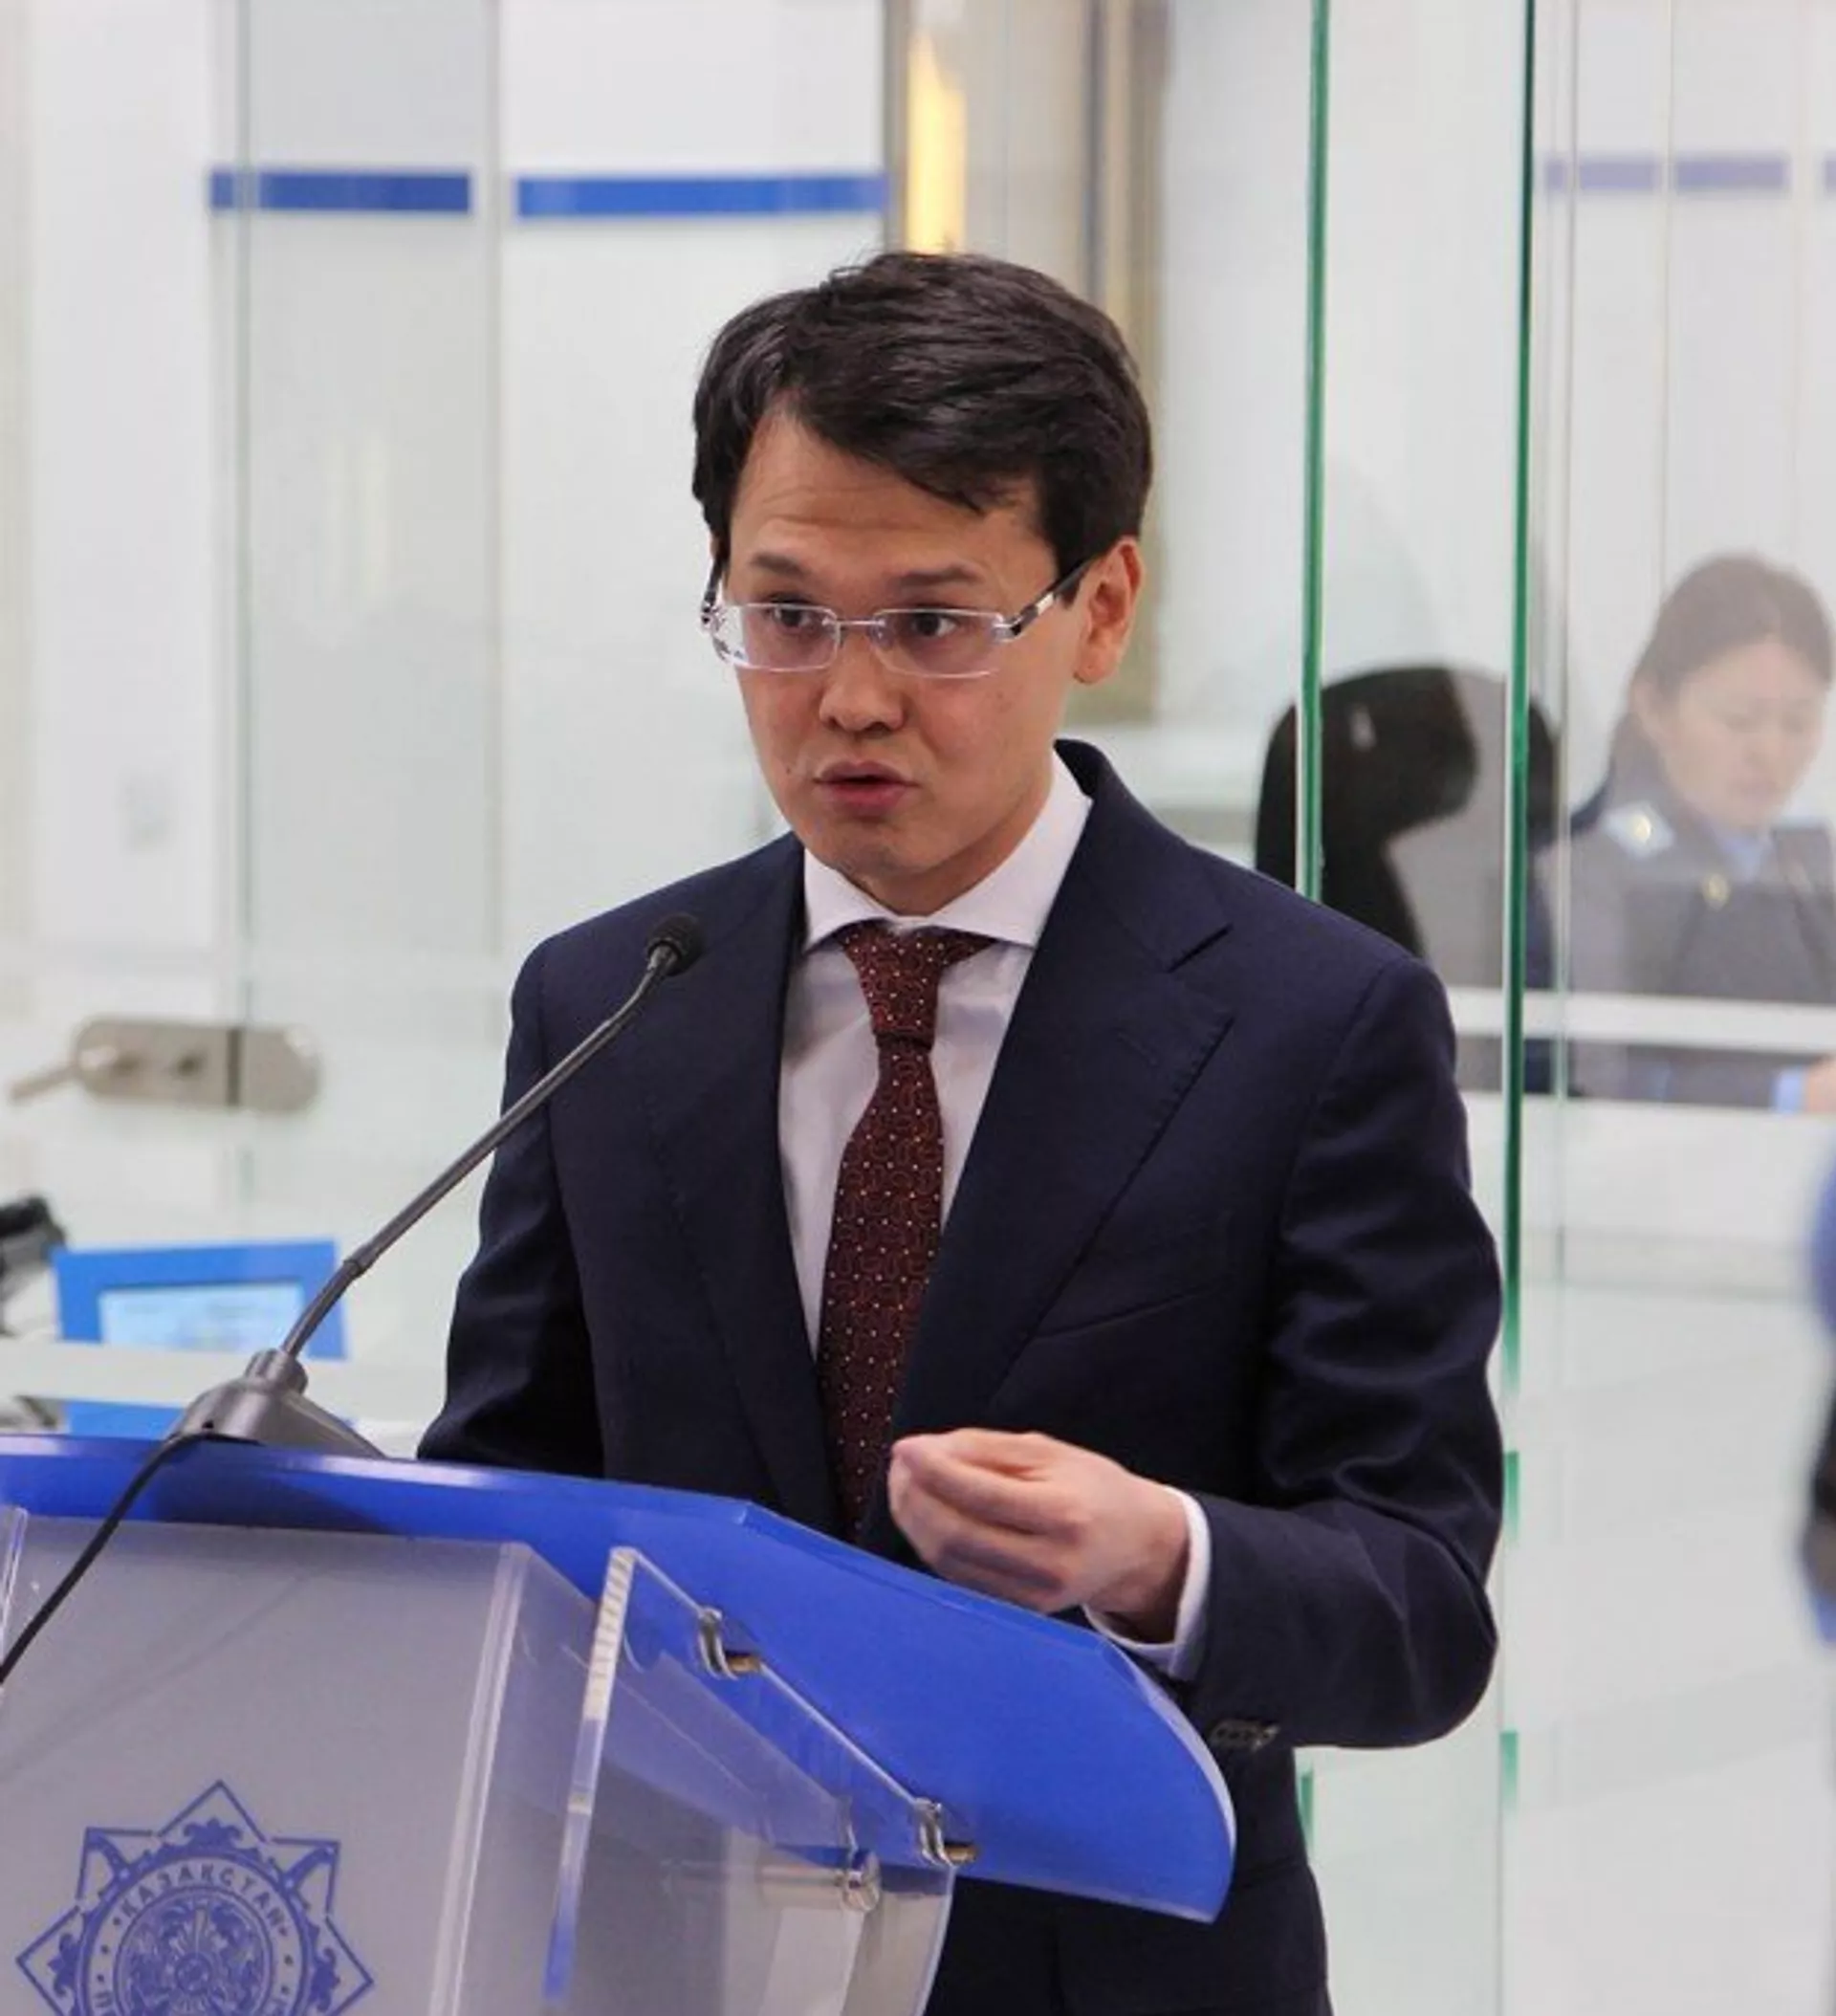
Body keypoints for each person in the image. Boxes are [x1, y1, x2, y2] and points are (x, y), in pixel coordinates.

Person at [421, 250, 1502, 2016]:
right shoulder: (612, 1000)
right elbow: (511, 1506)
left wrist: (1160, 1553)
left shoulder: (1313, 1022)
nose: (850, 697)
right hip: (665, 1958)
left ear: (1101, 605)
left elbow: (1422, 1606)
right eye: (785, 615)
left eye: (933, 624)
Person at [1563, 554, 1836, 1108]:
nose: (1771, 752)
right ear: (1653, 707)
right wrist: (1790, 1096)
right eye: (1740, 720)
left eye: (1798, 723)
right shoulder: (1593, 874)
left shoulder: (1810, 863)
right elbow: (1593, 1079)